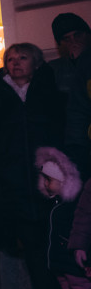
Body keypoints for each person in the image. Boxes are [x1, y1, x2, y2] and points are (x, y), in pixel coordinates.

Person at [0, 42, 67, 289]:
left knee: (61, 250)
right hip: (16, 193)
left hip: (54, 193)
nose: (15, 63)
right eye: (10, 59)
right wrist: (0, 176)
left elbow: (68, 139)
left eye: (22, 57)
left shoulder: (54, 100)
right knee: (34, 254)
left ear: (37, 64)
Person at [32, 147, 87, 289]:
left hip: (74, 266)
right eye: (44, 178)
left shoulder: (74, 206)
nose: (45, 183)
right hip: (59, 264)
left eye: (49, 180)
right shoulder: (53, 204)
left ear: (64, 182)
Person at [47, 12, 90, 171]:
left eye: (77, 35)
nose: (74, 42)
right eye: (67, 38)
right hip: (71, 145)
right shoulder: (53, 69)